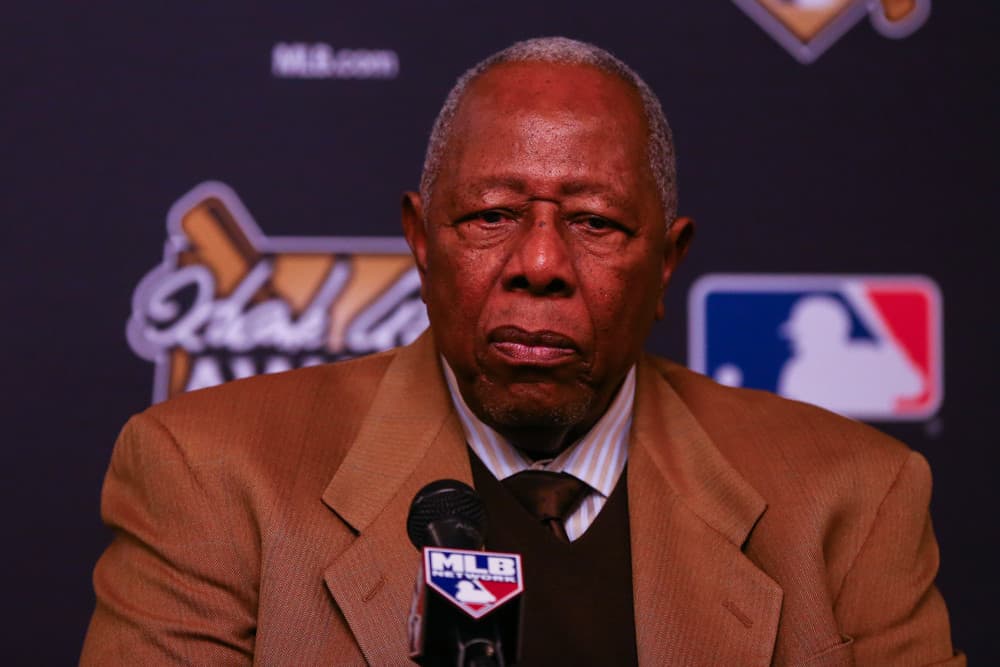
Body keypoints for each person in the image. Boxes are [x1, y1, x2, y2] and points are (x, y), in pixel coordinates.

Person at [81, 37, 962, 665]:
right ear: (422, 245)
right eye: (492, 215)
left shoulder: (851, 496)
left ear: (667, 263)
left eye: (595, 222)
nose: (540, 264)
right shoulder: (211, 471)